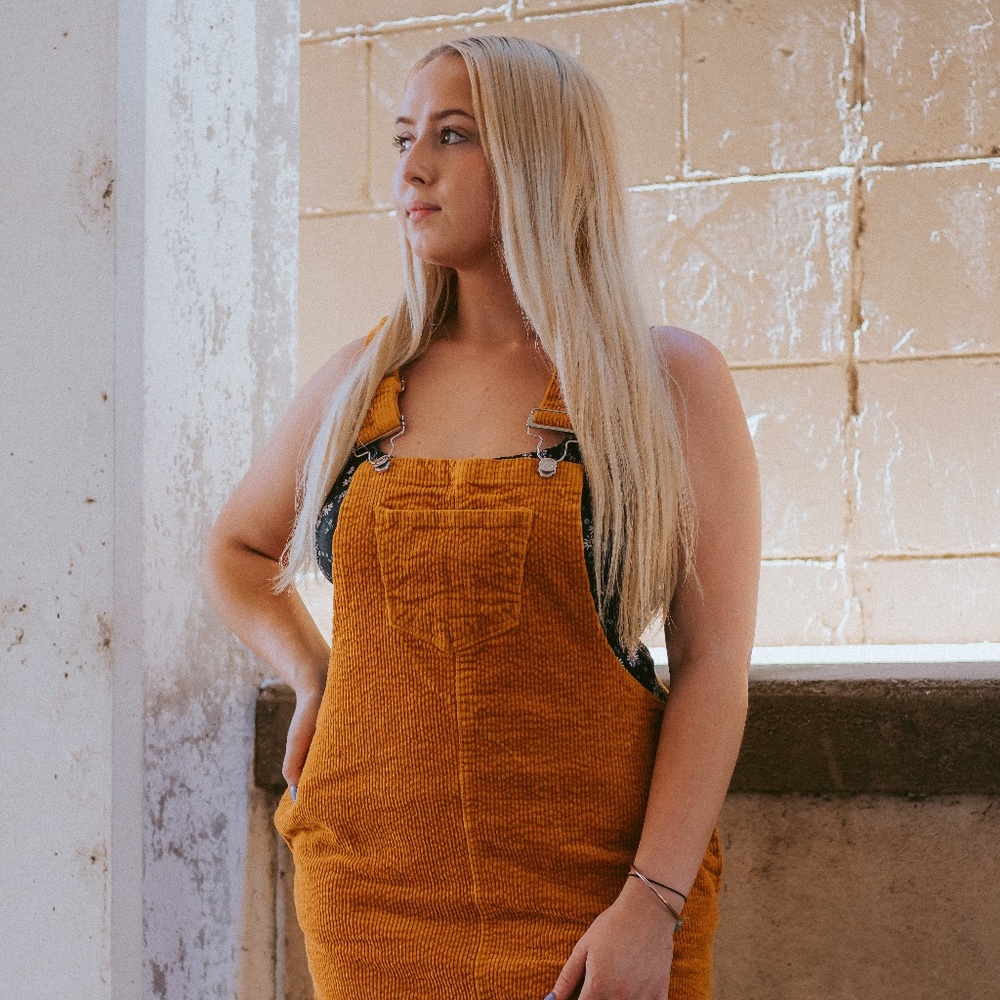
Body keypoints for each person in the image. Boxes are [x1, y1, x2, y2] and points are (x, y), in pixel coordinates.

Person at [204, 34, 760, 1000]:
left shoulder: (663, 382)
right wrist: (316, 671)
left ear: (544, 159)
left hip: (596, 899)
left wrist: (651, 903)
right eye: (404, 137)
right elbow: (237, 550)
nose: (412, 168)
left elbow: (713, 669)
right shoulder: (362, 380)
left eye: (452, 135)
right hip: (369, 899)